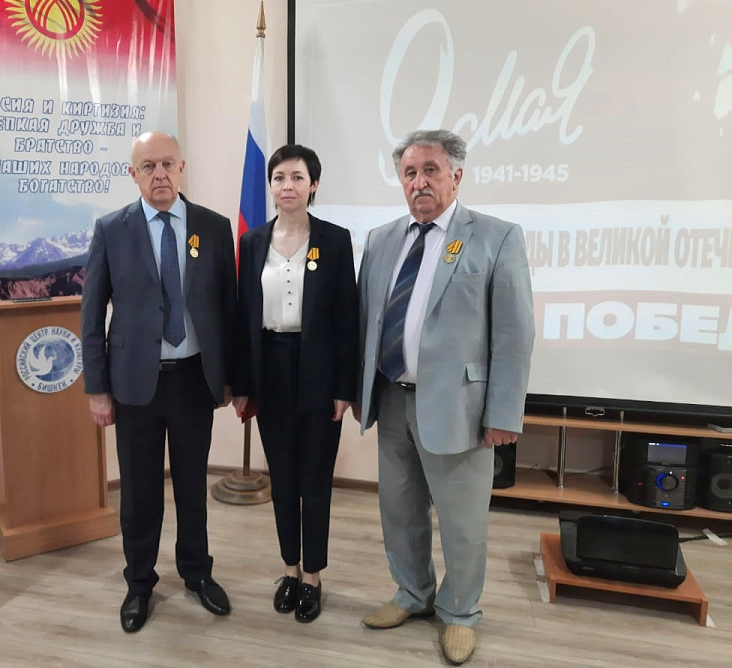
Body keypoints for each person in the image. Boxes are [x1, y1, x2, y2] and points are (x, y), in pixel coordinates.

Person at [354, 130, 534, 665]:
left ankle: (459, 612)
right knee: (399, 510)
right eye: (410, 173)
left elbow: (515, 333)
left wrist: (504, 413)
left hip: (461, 407)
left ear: (456, 176)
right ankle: (412, 593)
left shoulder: (496, 237)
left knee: (462, 523)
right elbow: (367, 323)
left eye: (430, 170)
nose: (419, 182)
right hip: (392, 399)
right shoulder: (382, 239)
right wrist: (358, 391)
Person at [82, 131, 236, 633]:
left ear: (182, 166)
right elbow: (91, 314)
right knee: (139, 492)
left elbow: (227, 309)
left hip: (193, 380)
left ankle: (196, 572)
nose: (160, 174)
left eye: (168, 163)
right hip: (133, 386)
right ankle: (139, 583)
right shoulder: (112, 229)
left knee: (192, 486)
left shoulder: (213, 227)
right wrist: (96, 388)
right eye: (148, 166)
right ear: (133, 174)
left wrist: (230, 378)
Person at [232, 144, 357, 623]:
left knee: (315, 480)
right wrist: (242, 383)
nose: (288, 186)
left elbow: (347, 319)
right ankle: (289, 569)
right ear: (271, 185)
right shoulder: (253, 241)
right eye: (280, 177)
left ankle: (314, 577)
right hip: (270, 370)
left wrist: (344, 388)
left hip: (319, 372)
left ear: (314, 185)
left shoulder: (335, 240)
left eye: (297, 177)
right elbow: (243, 317)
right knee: (282, 478)